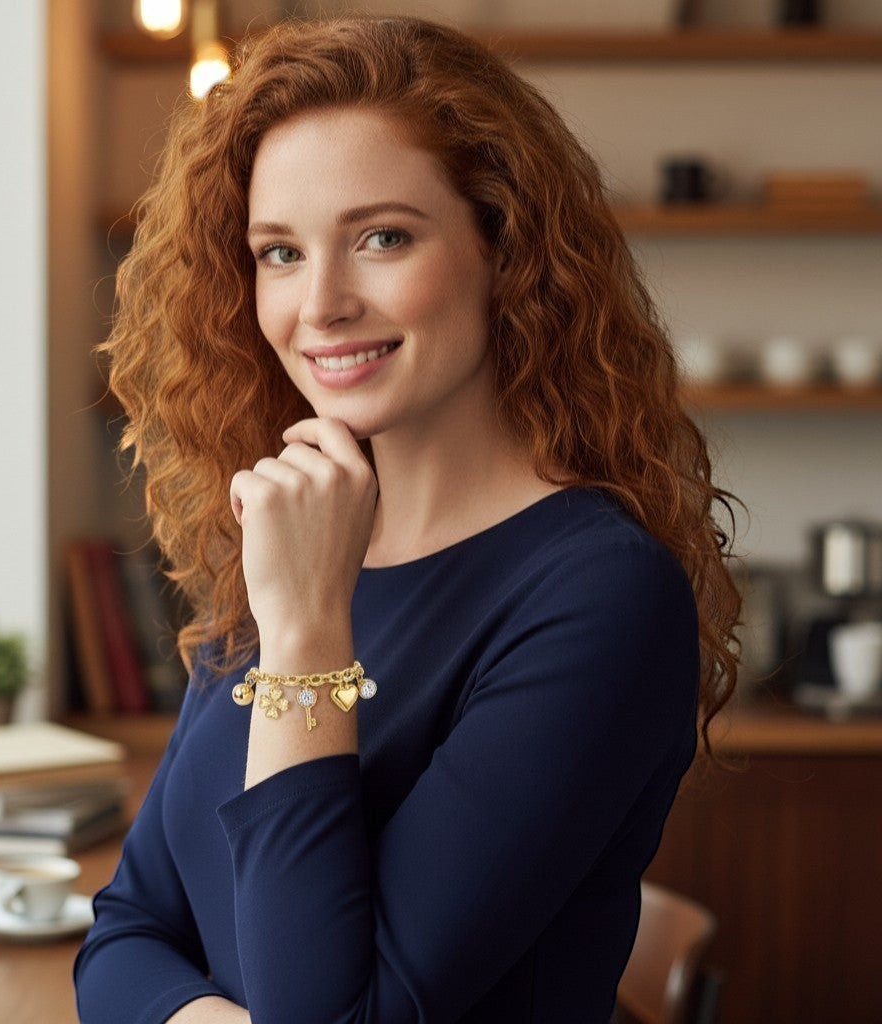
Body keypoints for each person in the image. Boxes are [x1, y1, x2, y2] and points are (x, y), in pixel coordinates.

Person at [74, 15, 742, 1024]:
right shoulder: (302, 530)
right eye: (280, 253)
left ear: (503, 248)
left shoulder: (598, 593)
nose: (321, 304)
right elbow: (124, 930)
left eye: (382, 236)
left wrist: (303, 637)